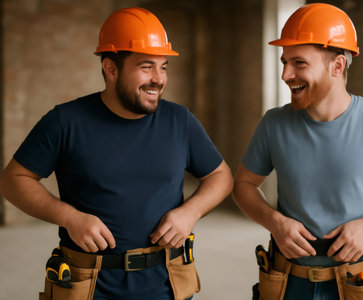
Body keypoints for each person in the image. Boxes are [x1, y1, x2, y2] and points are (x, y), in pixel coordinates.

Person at [0, 7, 233, 300]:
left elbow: (220, 175)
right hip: (88, 285)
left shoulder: (180, 121)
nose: (158, 79)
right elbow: (14, 179)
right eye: (146, 66)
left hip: (168, 283)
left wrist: (190, 212)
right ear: (111, 69)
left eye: (163, 67)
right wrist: (69, 217)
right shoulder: (65, 121)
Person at [233, 3, 363, 300]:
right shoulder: (274, 123)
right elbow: (243, 185)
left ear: (337, 66)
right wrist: (275, 221)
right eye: (284, 62)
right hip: (288, 283)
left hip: (362, 281)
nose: (285, 74)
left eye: (299, 63)